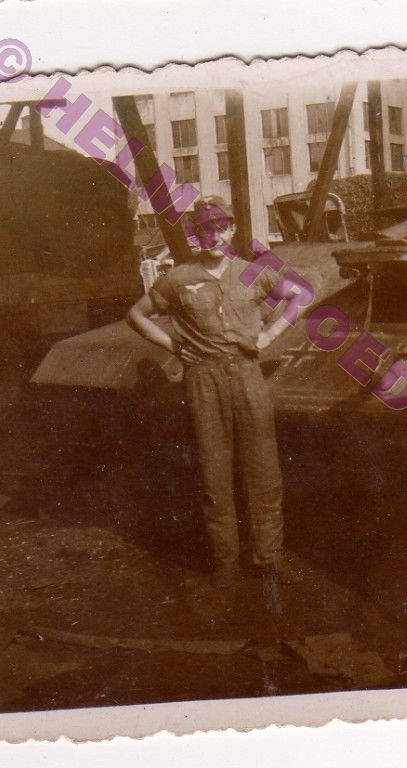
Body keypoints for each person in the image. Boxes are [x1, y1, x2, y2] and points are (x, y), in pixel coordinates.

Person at [126, 197, 300, 591]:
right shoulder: (178, 278)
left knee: (264, 472)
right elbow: (136, 315)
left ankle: (269, 558)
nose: (214, 236)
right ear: (195, 234)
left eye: (221, 227)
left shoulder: (252, 273)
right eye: (205, 229)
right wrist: (174, 346)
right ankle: (226, 565)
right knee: (214, 475)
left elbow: (298, 296)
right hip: (203, 380)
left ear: (232, 229)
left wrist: (270, 335)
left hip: (248, 375)